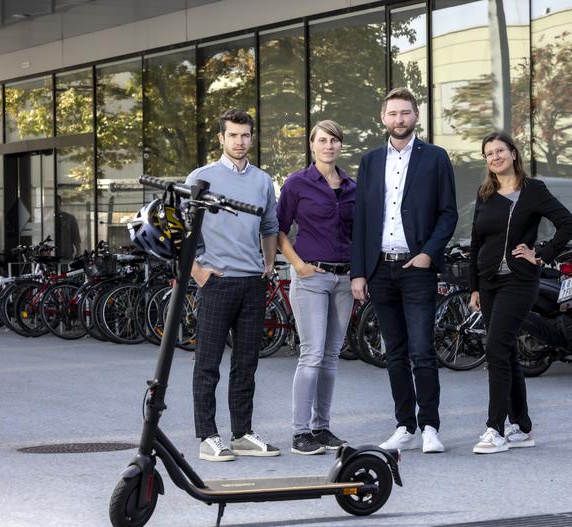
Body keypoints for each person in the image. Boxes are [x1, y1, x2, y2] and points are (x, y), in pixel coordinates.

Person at [351, 87, 458, 453]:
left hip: (417, 269)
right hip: (380, 269)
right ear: (383, 118)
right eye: (393, 113)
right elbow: (361, 219)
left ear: (416, 117)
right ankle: (404, 425)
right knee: (393, 352)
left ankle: (430, 426)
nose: (399, 119)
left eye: (406, 113)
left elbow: (448, 213)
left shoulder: (436, 158)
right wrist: (358, 272)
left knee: (422, 350)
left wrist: (429, 253)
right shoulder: (369, 162)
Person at [468, 131, 572, 454]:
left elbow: (567, 225)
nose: (494, 157)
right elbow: (477, 242)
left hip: (519, 281)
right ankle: (523, 427)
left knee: (497, 347)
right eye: (488, 153)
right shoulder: (486, 193)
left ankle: (495, 428)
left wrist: (541, 253)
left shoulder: (533, 191)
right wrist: (473, 286)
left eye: (499, 150)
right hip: (488, 283)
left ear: (514, 154)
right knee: (507, 351)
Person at [186, 109, 280, 462]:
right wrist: (198, 272)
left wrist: (268, 264)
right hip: (217, 282)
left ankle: (241, 433)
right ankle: (207, 435)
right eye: (233, 135)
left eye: (245, 135)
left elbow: (270, 225)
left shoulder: (261, 180)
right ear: (221, 139)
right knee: (207, 363)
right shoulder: (201, 177)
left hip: (252, 283)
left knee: (247, 363)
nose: (240, 142)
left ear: (252, 138)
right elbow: (181, 230)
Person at [276, 120, 356, 455]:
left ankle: (321, 428)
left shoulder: (352, 186)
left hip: (345, 280)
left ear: (340, 146)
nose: (329, 146)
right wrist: (297, 265)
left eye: (334, 140)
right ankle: (300, 433)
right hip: (311, 278)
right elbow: (277, 230)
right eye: (322, 140)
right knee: (312, 355)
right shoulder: (297, 183)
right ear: (312, 145)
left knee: (331, 357)